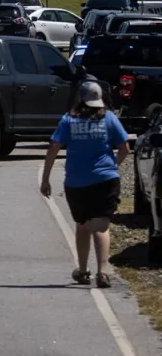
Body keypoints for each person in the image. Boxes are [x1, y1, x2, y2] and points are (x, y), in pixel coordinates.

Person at [41, 81, 129, 289]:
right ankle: (103, 271)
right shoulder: (109, 119)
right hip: (105, 180)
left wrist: (45, 178)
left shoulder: (69, 120)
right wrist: (113, 166)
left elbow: (54, 147)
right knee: (101, 226)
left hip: (77, 181)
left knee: (82, 225)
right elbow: (124, 147)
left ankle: (82, 270)